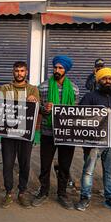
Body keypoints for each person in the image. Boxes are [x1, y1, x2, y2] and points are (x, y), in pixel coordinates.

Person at [75, 67, 111, 213]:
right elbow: (80, 116)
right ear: (98, 80)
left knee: (110, 172)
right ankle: (85, 197)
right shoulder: (90, 96)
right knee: (88, 171)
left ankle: (110, 199)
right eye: (104, 78)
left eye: (110, 78)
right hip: (93, 142)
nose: (107, 81)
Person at [34, 55, 79, 210]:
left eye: (60, 68)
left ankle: (62, 193)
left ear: (66, 70)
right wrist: (44, 108)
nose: (57, 70)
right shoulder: (43, 87)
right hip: (48, 132)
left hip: (67, 133)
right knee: (45, 165)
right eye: (55, 67)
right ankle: (43, 192)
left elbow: (76, 111)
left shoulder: (74, 88)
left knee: (65, 165)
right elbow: (37, 107)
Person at [0, 61, 40, 209]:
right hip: (8, 134)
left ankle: (22, 193)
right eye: (16, 71)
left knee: (25, 164)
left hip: (25, 134)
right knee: (8, 164)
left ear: (26, 72)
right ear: (13, 72)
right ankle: (8, 193)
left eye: (22, 71)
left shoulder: (33, 89)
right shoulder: (5, 88)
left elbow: (36, 110)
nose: (19, 73)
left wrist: (33, 101)